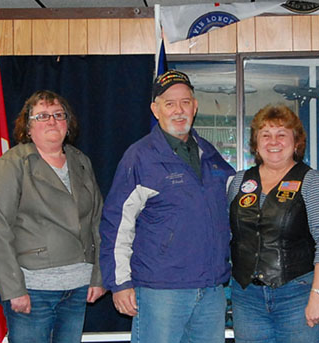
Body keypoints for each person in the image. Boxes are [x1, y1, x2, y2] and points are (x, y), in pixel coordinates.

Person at [99, 70, 235, 343]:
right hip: (160, 291)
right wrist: (120, 283)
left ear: (195, 107)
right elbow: (116, 225)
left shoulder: (211, 155)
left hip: (211, 291)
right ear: (155, 109)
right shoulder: (139, 157)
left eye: (185, 102)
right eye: (169, 103)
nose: (179, 110)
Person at [0, 90, 106, 343]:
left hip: (78, 288)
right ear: (28, 128)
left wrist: (99, 276)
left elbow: (98, 222)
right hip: (33, 289)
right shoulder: (12, 164)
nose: (52, 121)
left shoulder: (81, 162)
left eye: (58, 115)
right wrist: (13, 289)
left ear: (67, 123)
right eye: (42, 116)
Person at [228, 104, 319, 342]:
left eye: (281, 134)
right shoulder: (239, 182)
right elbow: (230, 236)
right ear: (256, 143)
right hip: (247, 297)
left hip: (298, 295)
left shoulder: (313, 182)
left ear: (296, 142)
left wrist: (317, 295)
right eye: (265, 135)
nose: (273, 141)